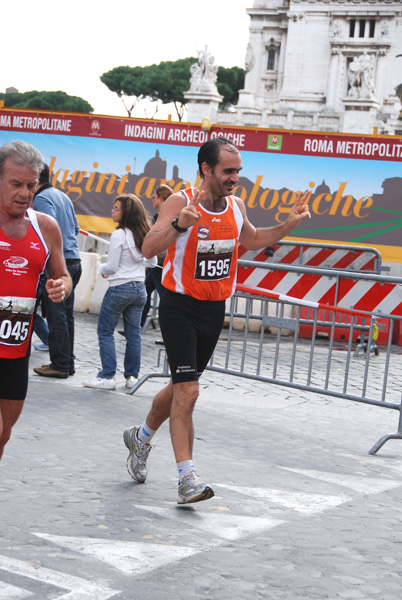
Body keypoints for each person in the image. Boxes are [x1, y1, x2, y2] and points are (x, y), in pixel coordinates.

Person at [122, 136, 311, 504]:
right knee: (189, 391)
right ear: (206, 169)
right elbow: (147, 249)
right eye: (228, 170)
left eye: (238, 171)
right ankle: (186, 479)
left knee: (181, 386)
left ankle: (141, 437)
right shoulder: (181, 201)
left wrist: (288, 225)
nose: (235, 177)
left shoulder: (236, 205)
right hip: (178, 305)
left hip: (213, 309)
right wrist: (178, 224)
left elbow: (253, 240)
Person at [0, 140, 72, 460]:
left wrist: (62, 287)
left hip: (16, 350)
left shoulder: (45, 227)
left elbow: (63, 275)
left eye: (31, 185)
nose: (25, 193)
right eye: (16, 184)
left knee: (3, 433)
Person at [83, 194, 156, 390]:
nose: (112, 211)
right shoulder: (145, 233)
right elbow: (152, 262)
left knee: (105, 331)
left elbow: (112, 266)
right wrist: (138, 261)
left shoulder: (119, 234)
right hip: (139, 288)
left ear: (126, 213)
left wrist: (101, 270)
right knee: (134, 335)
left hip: (119, 288)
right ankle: (132, 377)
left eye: (116, 208)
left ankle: (107, 376)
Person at [32, 164, 82, 378]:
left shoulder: (42, 199)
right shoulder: (61, 196)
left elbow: (47, 228)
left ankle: (60, 364)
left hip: (57, 262)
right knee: (66, 315)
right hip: (73, 259)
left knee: (57, 316)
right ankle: (66, 362)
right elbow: (76, 229)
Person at [140, 184, 173, 329]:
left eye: (154, 197)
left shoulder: (165, 217)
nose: (152, 200)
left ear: (160, 198)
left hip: (160, 264)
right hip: (157, 263)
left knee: (166, 299)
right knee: (145, 293)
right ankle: (138, 326)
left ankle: (170, 332)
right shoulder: (162, 216)